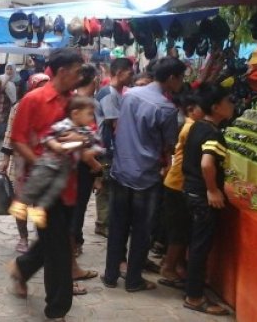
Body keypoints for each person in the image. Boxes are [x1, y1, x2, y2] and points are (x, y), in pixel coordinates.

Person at [7, 48, 84, 321]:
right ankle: (57, 309)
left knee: (55, 240)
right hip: (42, 188)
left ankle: (22, 268)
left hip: (70, 185)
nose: (80, 76)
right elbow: (18, 139)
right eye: (77, 70)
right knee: (60, 249)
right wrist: (40, 164)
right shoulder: (33, 100)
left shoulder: (74, 102)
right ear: (63, 71)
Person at [101, 57, 185, 292]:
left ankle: (110, 274)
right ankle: (133, 279)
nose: (182, 82)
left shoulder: (130, 95)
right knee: (141, 229)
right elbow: (169, 144)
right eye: (181, 78)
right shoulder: (166, 108)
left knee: (118, 224)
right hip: (145, 175)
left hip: (121, 169)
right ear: (171, 78)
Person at [9, 96, 104, 228]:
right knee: (36, 182)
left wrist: (90, 150)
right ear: (75, 114)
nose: (91, 119)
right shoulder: (64, 125)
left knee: (56, 188)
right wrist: (55, 145)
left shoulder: (87, 132)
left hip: (65, 168)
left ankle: (39, 209)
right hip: (49, 161)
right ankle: (21, 203)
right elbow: (47, 136)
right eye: (89, 114)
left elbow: (99, 145)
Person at [181, 84, 235, 316]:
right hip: (202, 196)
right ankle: (194, 297)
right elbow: (206, 164)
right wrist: (212, 190)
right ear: (216, 107)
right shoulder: (213, 133)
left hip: (190, 190)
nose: (232, 105)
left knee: (196, 244)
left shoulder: (198, 126)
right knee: (201, 246)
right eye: (229, 102)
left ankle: (193, 289)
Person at [0, 73, 50, 253]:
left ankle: (40, 235)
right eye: (40, 85)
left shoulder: (51, 105)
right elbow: (10, 132)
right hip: (21, 161)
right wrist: (5, 159)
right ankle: (23, 237)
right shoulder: (19, 106)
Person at [159, 93, 203, 288]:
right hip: (177, 184)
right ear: (190, 110)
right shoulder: (190, 128)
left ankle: (175, 264)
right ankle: (168, 267)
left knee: (180, 230)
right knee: (179, 230)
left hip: (177, 183)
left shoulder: (189, 126)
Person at [93, 57, 134, 237]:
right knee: (105, 185)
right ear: (119, 72)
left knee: (109, 185)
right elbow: (115, 124)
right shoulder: (108, 94)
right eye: (130, 72)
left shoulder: (117, 93)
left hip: (109, 147)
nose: (132, 76)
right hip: (105, 147)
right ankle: (102, 223)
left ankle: (106, 221)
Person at [70, 63, 102, 255]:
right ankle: (73, 243)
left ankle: (75, 240)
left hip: (79, 162)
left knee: (76, 205)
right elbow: (80, 139)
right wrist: (96, 166)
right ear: (95, 79)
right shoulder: (84, 103)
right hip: (82, 163)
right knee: (78, 205)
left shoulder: (76, 100)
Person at [0, 63, 17, 142]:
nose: (9, 71)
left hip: (10, 104)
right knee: (1, 121)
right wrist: (6, 80)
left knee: (9, 121)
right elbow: (0, 90)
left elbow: (15, 96)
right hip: (2, 104)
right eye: (7, 69)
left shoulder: (14, 81)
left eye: (11, 69)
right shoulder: (1, 78)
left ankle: (6, 138)